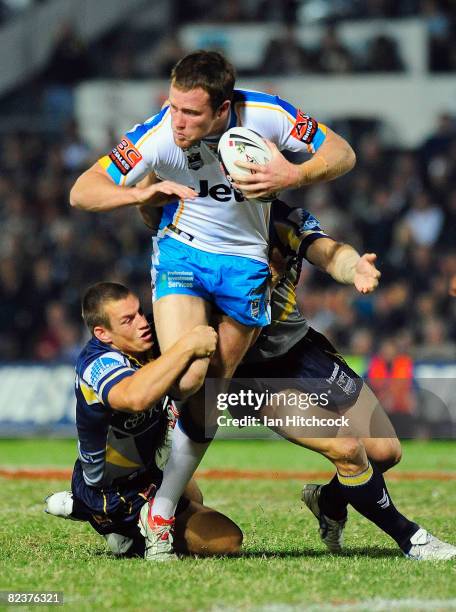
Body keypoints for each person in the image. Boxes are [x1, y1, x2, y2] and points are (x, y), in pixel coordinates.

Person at [69, 50, 356, 560]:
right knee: (185, 379)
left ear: (223, 110)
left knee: (210, 395)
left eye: (191, 113)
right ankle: (117, 481)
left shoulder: (268, 115)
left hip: (245, 265)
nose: (177, 121)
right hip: (183, 251)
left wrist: (291, 177)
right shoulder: (156, 135)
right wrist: (141, 194)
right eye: (173, 106)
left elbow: (342, 153)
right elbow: (82, 191)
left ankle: (159, 505)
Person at [234, 199, 456, 560]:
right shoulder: (209, 229)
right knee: (348, 450)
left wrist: (354, 268)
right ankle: (411, 539)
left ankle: (328, 500)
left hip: (303, 351)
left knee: (385, 451)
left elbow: (326, 251)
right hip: (253, 372)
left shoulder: (284, 216)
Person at [44, 282, 242, 560]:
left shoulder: (145, 339)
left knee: (194, 496)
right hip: (110, 491)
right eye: (128, 320)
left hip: (146, 468)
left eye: (139, 312)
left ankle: (102, 518)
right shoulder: (97, 364)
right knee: (228, 541)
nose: (142, 323)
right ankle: (114, 526)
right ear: (103, 333)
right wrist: (186, 345)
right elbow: (135, 397)